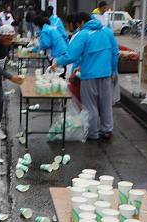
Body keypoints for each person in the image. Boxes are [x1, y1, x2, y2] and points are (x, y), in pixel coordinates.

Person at [52, 12, 118, 140]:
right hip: (106, 73)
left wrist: (57, 62)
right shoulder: (107, 32)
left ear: (82, 22)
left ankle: (92, 133)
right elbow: (115, 52)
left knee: (90, 105)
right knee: (106, 104)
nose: (79, 28)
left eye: (78, 25)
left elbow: (71, 55)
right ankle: (107, 130)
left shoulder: (83, 34)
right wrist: (113, 70)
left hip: (89, 75)